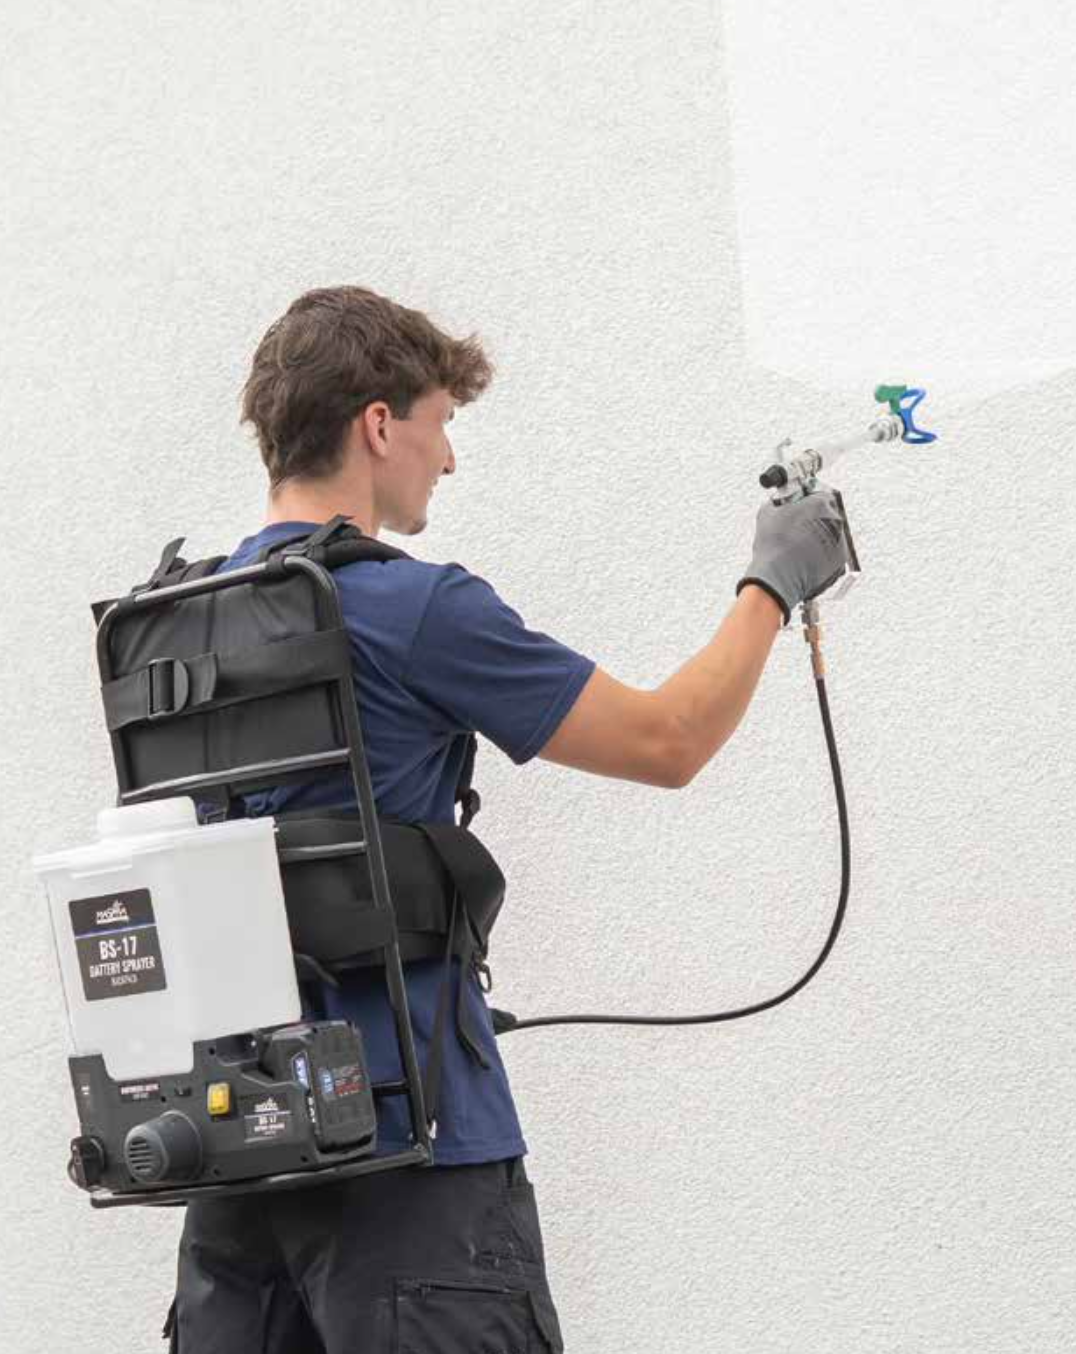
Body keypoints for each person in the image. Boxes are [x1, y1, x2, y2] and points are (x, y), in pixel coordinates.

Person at [167, 285, 849, 1353]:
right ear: (378, 424)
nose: (447, 460)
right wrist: (774, 578)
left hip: (237, 1166)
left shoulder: (174, 625)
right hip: (412, 1151)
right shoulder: (411, 607)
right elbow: (668, 740)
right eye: (439, 424)